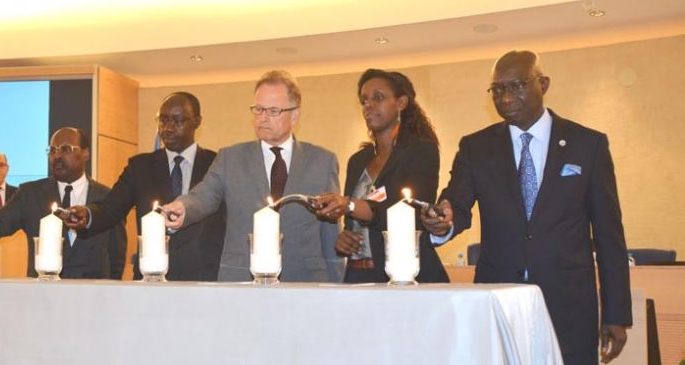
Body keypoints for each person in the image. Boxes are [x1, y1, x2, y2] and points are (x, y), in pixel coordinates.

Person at [421, 50, 631, 365]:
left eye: (516, 86)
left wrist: (617, 312)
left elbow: (608, 233)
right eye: (498, 89)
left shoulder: (588, 144)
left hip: (570, 307)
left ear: (543, 84)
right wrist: (442, 220)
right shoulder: (477, 147)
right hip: (500, 307)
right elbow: (456, 206)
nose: (505, 96)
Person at [163, 70, 344, 282]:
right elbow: (203, 195)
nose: (263, 118)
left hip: (304, 279)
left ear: (295, 114)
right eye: (258, 109)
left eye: (273, 111)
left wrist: (334, 284)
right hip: (242, 278)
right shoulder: (230, 157)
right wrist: (183, 208)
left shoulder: (323, 161)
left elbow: (331, 229)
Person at [62, 92, 225, 280]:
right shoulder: (140, 167)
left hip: (205, 277)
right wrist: (88, 215)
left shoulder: (218, 164)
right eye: (163, 120)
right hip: (151, 278)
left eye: (177, 120)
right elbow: (111, 208)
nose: (168, 128)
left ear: (197, 122)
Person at [314, 69, 448, 283]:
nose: (368, 106)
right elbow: (353, 223)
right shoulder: (358, 160)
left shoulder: (421, 151)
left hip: (406, 275)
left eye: (378, 97)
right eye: (364, 100)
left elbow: (410, 211)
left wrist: (350, 205)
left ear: (401, 103)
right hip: (359, 275)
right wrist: (345, 240)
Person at [0, 127, 127, 280]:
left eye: (66, 149)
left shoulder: (108, 198)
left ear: (85, 153)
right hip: (42, 295)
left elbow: (117, 256)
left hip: (92, 296)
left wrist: (109, 290)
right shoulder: (30, 194)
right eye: (52, 150)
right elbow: (2, 219)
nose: (57, 155)